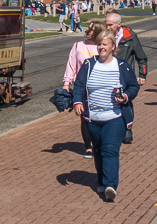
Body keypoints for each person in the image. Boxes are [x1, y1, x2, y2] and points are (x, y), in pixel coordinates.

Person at [71, 31, 140, 202]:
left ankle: (111, 185)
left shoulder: (122, 66)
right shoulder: (89, 65)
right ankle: (101, 181)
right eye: (99, 44)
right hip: (93, 118)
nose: (101, 47)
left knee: (110, 150)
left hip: (115, 117)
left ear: (113, 47)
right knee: (97, 150)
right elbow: (79, 86)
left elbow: (133, 86)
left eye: (105, 44)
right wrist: (78, 102)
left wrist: (126, 96)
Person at [63, 20, 106, 159]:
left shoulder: (102, 47)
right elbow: (71, 64)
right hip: (82, 87)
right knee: (84, 117)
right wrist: (66, 83)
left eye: (92, 29)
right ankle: (88, 147)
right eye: (88, 28)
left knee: (99, 116)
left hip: (99, 87)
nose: (88, 31)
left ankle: (100, 143)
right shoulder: (78, 45)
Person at [106, 12, 148, 143]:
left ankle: (127, 129)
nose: (108, 28)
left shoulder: (129, 37)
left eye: (110, 25)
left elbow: (141, 56)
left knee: (125, 102)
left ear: (118, 24)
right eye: (106, 25)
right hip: (108, 74)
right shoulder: (105, 36)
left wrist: (142, 74)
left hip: (124, 76)